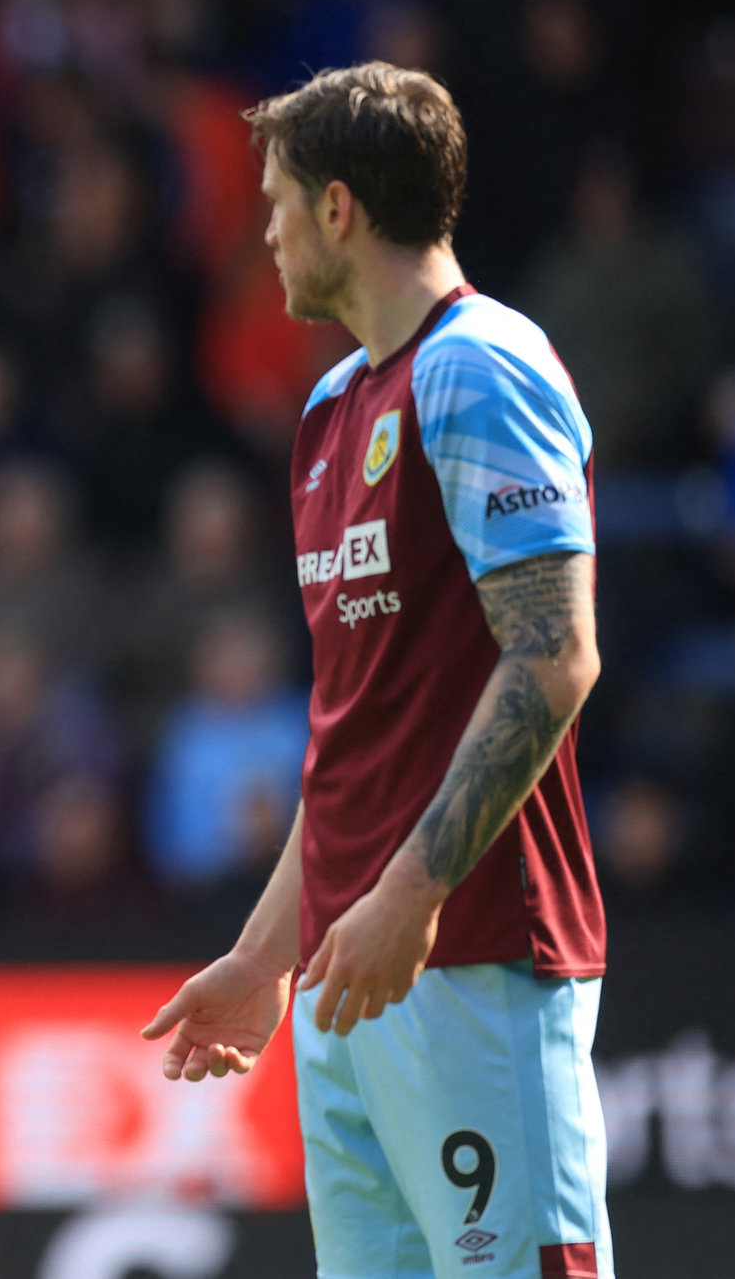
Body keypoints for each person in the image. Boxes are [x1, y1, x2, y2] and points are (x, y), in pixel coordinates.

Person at [141, 65, 611, 1279]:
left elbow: (553, 653)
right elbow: (360, 725)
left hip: (467, 952)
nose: (265, 232)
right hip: (348, 977)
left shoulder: (482, 365)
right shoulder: (331, 406)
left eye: (276, 202)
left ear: (338, 208)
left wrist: (408, 893)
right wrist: (265, 950)